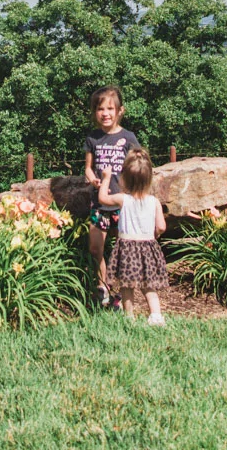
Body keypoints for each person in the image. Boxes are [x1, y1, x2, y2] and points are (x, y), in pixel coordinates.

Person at [82, 85, 141, 307]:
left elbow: (138, 165)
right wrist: (92, 179)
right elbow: (88, 168)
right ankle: (103, 287)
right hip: (99, 202)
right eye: (100, 109)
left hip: (123, 202)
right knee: (96, 248)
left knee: (123, 248)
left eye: (110, 108)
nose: (105, 113)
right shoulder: (93, 138)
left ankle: (122, 293)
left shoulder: (128, 137)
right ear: (94, 112)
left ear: (120, 110)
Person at [96, 148, 169, 324]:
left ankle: (129, 317)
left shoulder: (123, 199)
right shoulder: (154, 202)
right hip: (147, 247)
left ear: (124, 178)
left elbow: (103, 199)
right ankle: (156, 315)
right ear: (149, 178)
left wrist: (106, 178)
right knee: (148, 285)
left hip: (127, 248)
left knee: (127, 286)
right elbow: (161, 226)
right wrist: (155, 234)